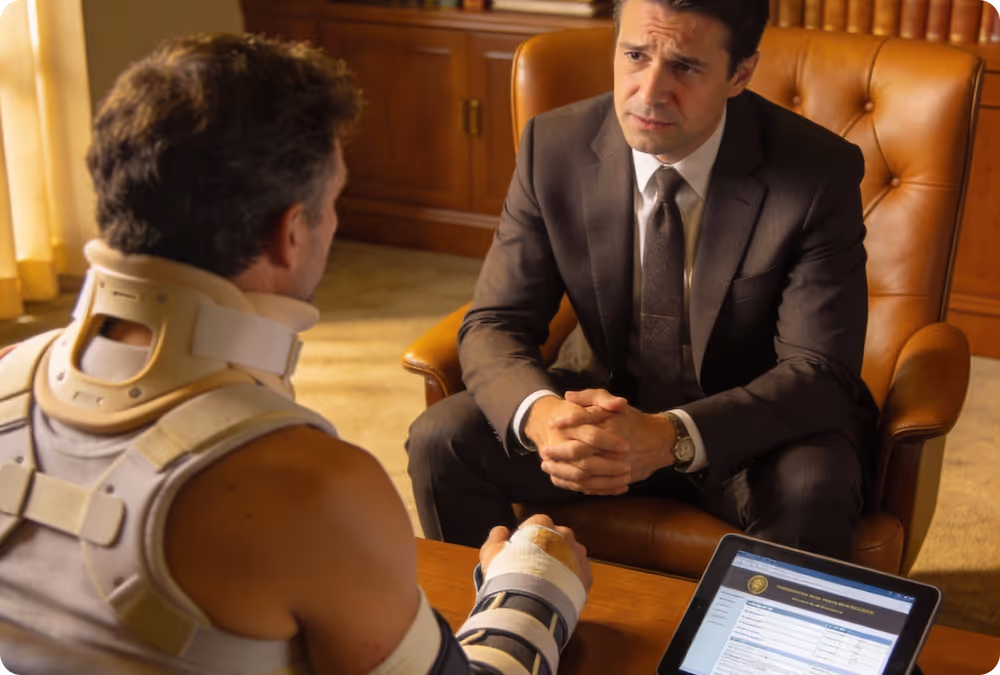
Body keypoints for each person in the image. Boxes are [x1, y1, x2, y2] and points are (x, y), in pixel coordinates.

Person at [0, 34, 592, 675]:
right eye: (332, 202)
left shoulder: (7, 375)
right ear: (289, 233)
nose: (332, 223)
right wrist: (533, 585)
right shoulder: (314, 488)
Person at [407, 0, 880, 563]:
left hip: (747, 430)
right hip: (598, 404)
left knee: (813, 485)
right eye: (635, 55)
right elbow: (496, 322)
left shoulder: (817, 173)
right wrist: (542, 416)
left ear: (741, 73)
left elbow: (819, 372)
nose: (649, 92)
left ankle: (751, 655)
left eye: (685, 66)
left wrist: (669, 437)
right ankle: (499, 632)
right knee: (442, 439)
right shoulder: (552, 147)